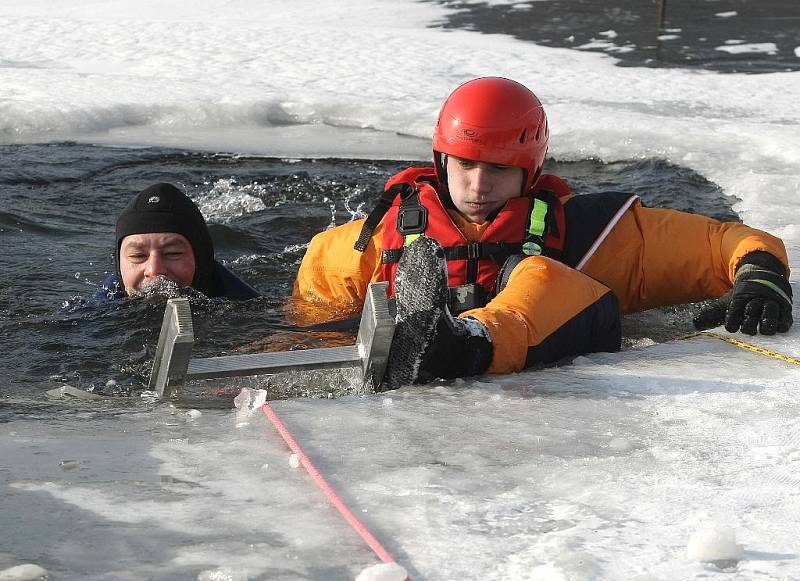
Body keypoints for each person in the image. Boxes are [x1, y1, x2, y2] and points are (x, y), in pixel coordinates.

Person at [292, 77, 792, 389]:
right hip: (399, 361)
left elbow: (727, 243)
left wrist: (760, 277)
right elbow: (294, 345)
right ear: (441, 159)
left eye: (499, 170)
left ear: (529, 170)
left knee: (543, 275)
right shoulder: (359, 247)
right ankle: (424, 337)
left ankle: (463, 341)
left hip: (538, 319)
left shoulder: (594, 234)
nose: (478, 186)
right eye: (465, 165)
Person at [96, 182, 260, 300]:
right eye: (137, 256)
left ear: (201, 260)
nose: (154, 270)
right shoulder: (100, 308)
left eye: (173, 253)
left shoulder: (247, 307)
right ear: (118, 264)